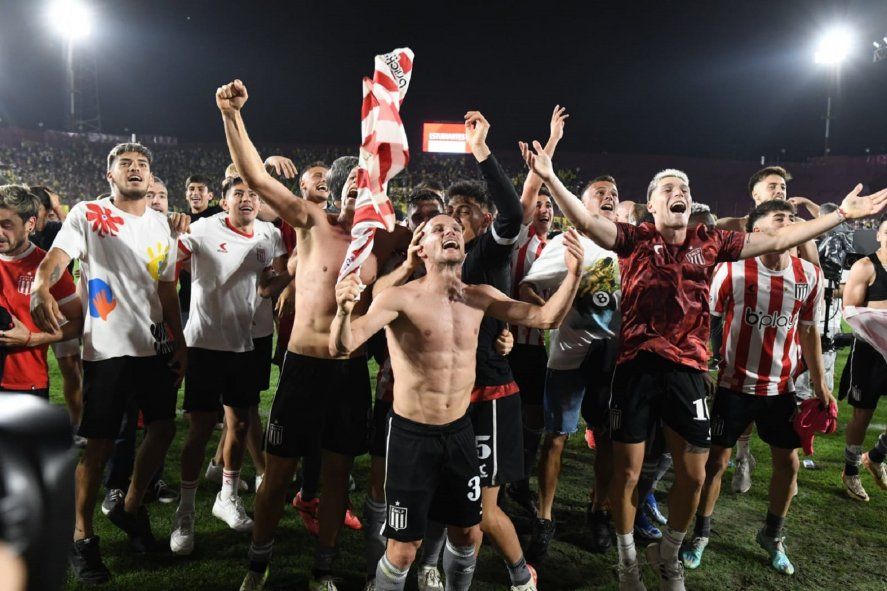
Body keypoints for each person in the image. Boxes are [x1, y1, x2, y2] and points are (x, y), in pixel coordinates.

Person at [521, 138, 887, 591]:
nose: (680, 192)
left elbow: (776, 238)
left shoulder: (711, 241)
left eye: (685, 189)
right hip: (635, 368)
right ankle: (628, 563)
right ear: (652, 204)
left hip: (689, 372)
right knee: (628, 472)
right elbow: (584, 218)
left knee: (693, 477)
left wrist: (840, 216)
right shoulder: (635, 240)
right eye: (669, 187)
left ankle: (669, 554)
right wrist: (550, 175)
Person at [215, 79, 409, 591]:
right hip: (301, 368)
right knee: (278, 473)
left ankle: (322, 569)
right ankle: (258, 564)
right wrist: (232, 117)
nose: (353, 193)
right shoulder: (311, 222)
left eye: (363, 187)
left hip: (348, 373)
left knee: (337, 476)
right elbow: (257, 179)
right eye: (348, 186)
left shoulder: (386, 243)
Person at [330, 215, 585, 591]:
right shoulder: (398, 297)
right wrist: (342, 311)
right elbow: (344, 345)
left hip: (461, 432)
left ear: (464, 248)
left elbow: (545, 318)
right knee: (403, 549)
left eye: (455, 229)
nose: (449, 232)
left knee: (467, 531)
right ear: (421, 248)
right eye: (438, 229)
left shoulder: (480, 296)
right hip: (411, 437)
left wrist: (575, 275)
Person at [30, 142, 187, 584]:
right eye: (126, 164)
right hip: (108, 348)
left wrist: (179, 340)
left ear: (151, 177)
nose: (135, 170)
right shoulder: (87, 214)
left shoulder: (161, 225)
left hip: (153, 345)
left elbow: (167, 289)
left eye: (143, 165)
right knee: (98, 446)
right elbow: (55, 259)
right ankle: (81, 537)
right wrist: (42, 285)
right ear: (110, 175)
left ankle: (130, 508)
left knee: (162, 429)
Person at [681, 199, 831, 576]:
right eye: (780, 219)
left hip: (780, 390)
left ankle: (772, 535)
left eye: (792, 220)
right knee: (716, 463)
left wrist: (819, 383)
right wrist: (707, 365)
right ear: (757, 232)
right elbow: (709, 320)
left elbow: (810, 331)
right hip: (733, 386)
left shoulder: (810, 276)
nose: (790, 225)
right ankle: (701, 533)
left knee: (789, 464)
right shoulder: (732, 270)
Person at [169, 175, 287, 555]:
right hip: (205, 343)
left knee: (238, 423)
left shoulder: (269, 233)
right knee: (200, 430)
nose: (247, 199)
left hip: (244, 344)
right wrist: (172, 236)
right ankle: (185, 513)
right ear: (224, 201)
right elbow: (171, 263)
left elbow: (276, 277)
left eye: (253, 194)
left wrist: (274, 283)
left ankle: (227, 496)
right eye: (239, 194)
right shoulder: (203, 228)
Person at [520, 174, 621, 560]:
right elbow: (528, 286)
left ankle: (599, 511)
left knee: (607, 439)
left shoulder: (627, 245)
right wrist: (547, 312)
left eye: (613, 194)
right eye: (599, 193)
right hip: (567, 360)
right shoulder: (567, 242)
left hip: (611, 364)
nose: (608, 198)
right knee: (556, 438)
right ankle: (545, 519)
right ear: (582, 203)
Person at [506, 106, 566, 518]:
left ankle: (519, 479)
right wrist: (552, 143)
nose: (544, 208)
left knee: (533, 417)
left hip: (539, 346)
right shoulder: (520, 236)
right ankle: (503, 473)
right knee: (505, 412)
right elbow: (529, 190)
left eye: (550, 204)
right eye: (539, 203)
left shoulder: (561, 246)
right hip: (509, 342)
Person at [0, 185, 81, 396]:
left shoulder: (46, 268)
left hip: (25, 384)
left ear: (30, 224)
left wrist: (32, 339)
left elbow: (78, 323)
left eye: (6, 225)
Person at [839, 216, 887, 501]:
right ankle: (851, 471)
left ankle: (877, 455)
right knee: (862, 413)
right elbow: (850, 310)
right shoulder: (866, 266)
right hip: (870, 351)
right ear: (879, 235)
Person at [179, 174, 223, 326]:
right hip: (187, 299)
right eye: (191, 189)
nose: (195, 192)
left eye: (200, 189)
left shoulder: (220, 214)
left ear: (210, 195)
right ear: (186, 195)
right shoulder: (181, 221)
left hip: (215, 299)